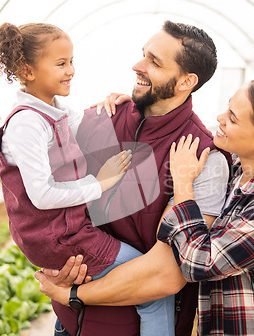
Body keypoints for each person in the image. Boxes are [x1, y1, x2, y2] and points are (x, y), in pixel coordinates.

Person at [35, 78, 254, 336]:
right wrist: (140, 104)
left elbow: (198, 263)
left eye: (232, 118)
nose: (220, 118)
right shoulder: (235, 169)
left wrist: (182, 184)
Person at [41, 20, 231, 336]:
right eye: (143, 54)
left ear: (186, 81)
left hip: (137, 327)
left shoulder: (202, 158)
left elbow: (165, 274)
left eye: (154, 62)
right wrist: (57, 264)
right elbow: (55, 212)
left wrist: (74, 295)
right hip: (71, 323)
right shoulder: (100, 119)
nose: (137, 66)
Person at [0, 22, 176, 336]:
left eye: (72, 61)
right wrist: (101, 183)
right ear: (28, 70)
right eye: (61, 63)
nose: (71, 70)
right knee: (153, 288)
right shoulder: (26, 123)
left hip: (67, 229)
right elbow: (42, 196)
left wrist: (114, 103)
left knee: (135, 284)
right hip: (59, 235)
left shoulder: (56, 110)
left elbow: (89, 124)